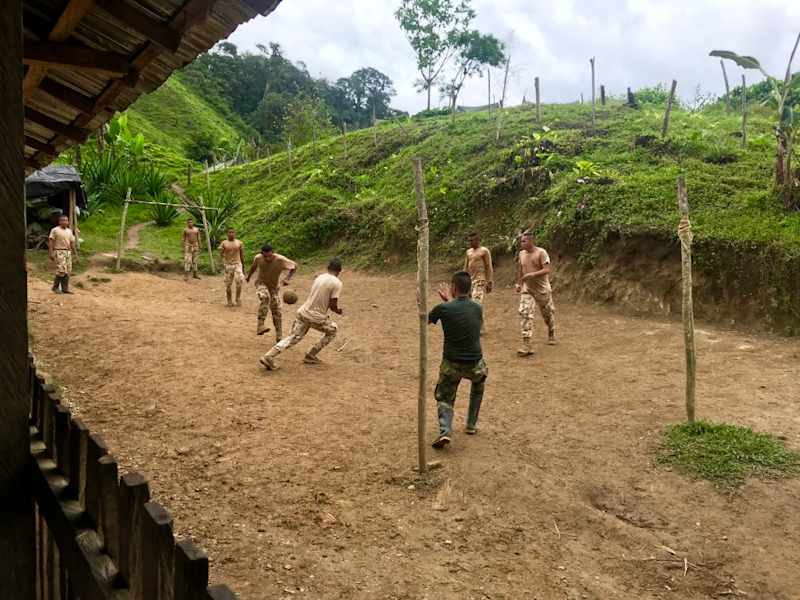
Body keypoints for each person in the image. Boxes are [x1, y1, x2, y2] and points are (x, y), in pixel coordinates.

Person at [428, 271, 488, 449]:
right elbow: (462, 314)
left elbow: (426, 320)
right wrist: (449, 301)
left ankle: (445, 430)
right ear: (469, 288)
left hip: (452, 363)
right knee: (478, 386)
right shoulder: (478, 307)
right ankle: (471, 424)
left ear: (453, 288)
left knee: (444, 396)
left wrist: (422, 303)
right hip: (475, 363)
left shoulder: (443, 309)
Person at [259, 258, 343, 371]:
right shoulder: (337, 283)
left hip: (303, 312)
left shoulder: (320, 277)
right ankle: (311, 355)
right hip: (316, 317)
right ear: (339, 270)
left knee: (292, 337)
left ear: (328, 268)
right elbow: (333, 305)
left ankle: (269, 356)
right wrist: (338, 310)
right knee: (333, 330)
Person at [516, 231, 557, 357]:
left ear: (531, 241)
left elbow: (547, 269)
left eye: (524, 241)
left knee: (548, 314)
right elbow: (520, 269)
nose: (521, 243)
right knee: (524, 312)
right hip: (527, 289)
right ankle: (527, 344)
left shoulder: (541, 253)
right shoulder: (521, 254)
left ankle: (551, 332)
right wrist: (519, 283)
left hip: (542, 290)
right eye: (521, 241)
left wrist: (532, 274)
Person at [245, 244, 297, 341]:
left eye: (270, 256)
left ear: (273, 252)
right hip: (261, 284)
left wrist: (287, 278)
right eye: (265, 256)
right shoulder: (258, 258)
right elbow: (253, 267)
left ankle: (279, 336)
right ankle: (260, 325)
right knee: (265, 297)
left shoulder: (280, 260)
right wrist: (248, 276)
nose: (268, 258)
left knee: (277, 311)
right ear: (262, 254)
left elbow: (294, 266)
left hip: (273, 288)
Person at [463, 232, 493, 331]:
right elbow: (466, 267)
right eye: (469, 240)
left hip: (480, 279)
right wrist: (463, 280)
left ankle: (478, 327)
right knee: (470, 303)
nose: (470, 242)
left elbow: (488, 266)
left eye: (472, 240)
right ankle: (480, 325)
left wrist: (489, 281)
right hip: (470, 280)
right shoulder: (468, 252)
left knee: (476, 303)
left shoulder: (484, 251)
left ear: (477, 240)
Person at [48, 214, 78, 294]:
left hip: (68, 252)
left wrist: (75, 253)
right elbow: (51, 242)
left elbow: (72, 243)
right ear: (59, 222)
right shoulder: (55, 230)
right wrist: (51, 253)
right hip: (59, 251)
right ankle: (55, 287)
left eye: (66, 220)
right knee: (61, 270)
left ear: (68, 222)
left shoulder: (69, 231)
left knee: (68, 271)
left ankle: (65, 288)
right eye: (63, 220)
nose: (65, 222)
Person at [219, 228, 245, 307]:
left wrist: (243, 265)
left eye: (233, 232)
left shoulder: (239, 243)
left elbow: (242, 254)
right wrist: (223, 261)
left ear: (235, 233)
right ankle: (229, 300)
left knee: (239, 282)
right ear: (227, 234)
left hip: (238, 265)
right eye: (229, 232)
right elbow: (221, 253)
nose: (231, 234)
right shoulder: (224, 243)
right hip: (228, 265)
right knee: (228, 284)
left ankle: (238, 298)